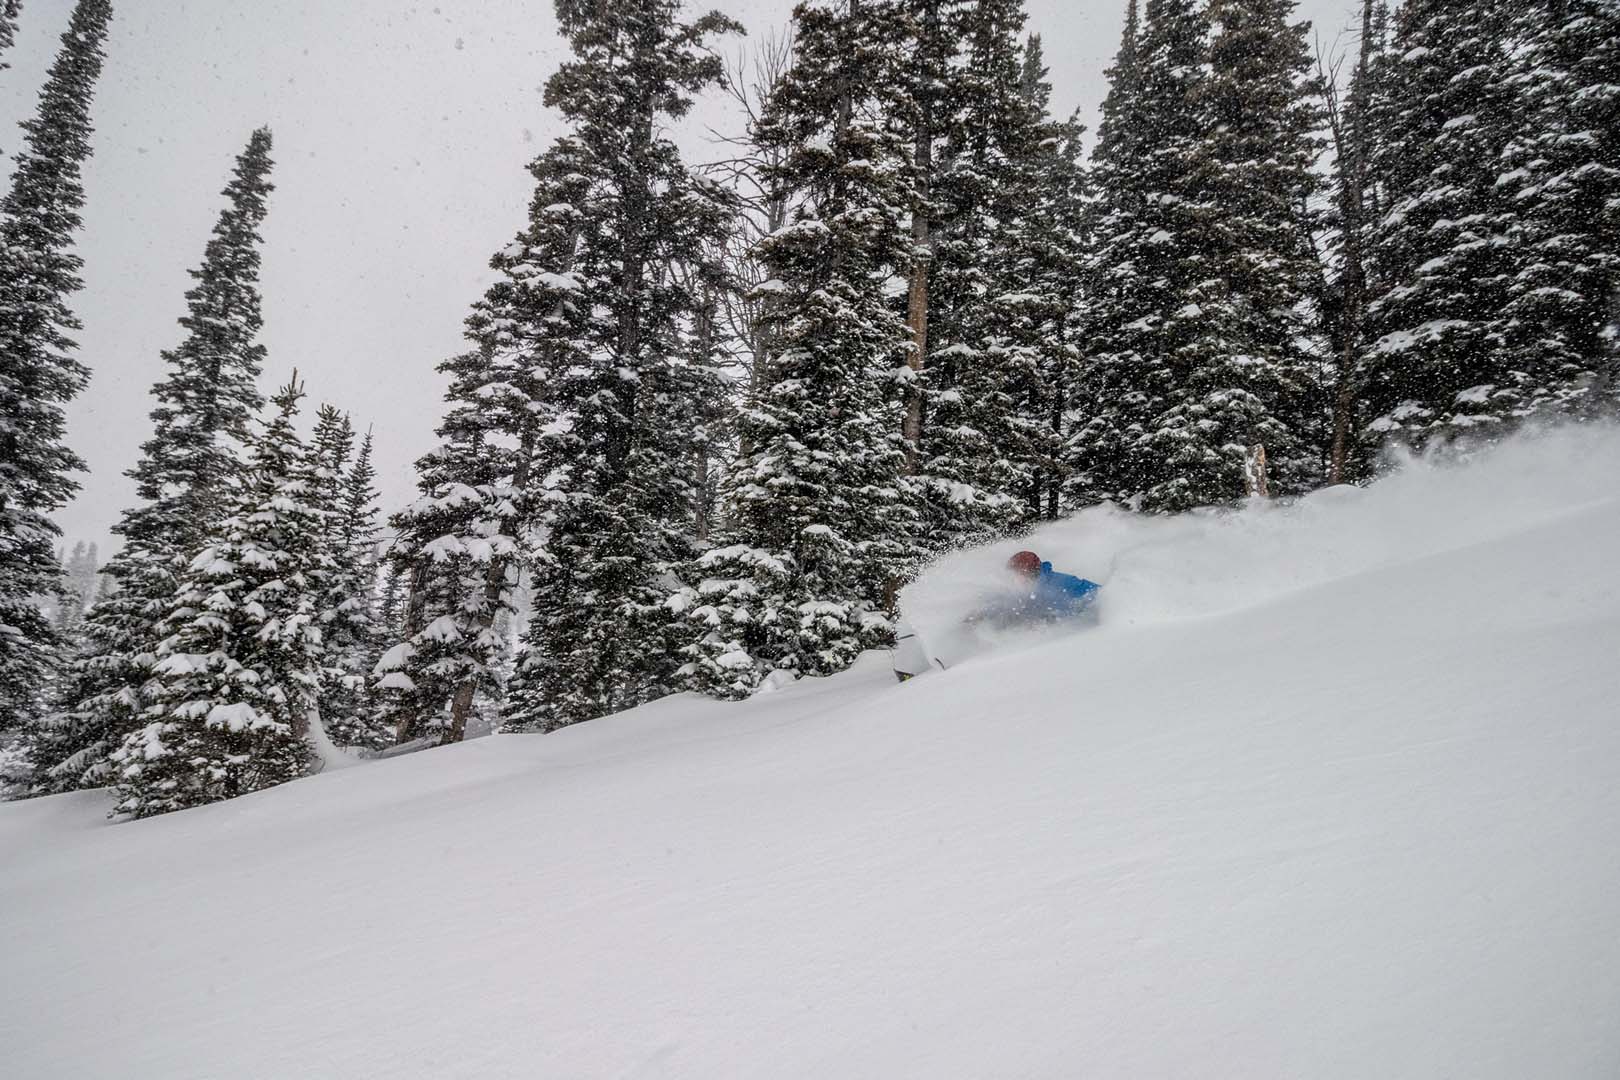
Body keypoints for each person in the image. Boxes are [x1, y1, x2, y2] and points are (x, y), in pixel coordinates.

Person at [971, 550, 1100, 626]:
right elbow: (1002, 602)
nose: (1014, 579)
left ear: (1028, 572)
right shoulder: (1025, 589)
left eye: (1017, 574)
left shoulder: (1061, 584)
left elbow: (1101, 594)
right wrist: (978, 615)